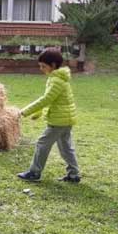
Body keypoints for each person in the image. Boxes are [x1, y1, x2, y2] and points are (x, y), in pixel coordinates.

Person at [16, 48, 80, 183]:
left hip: (59, 121)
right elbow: (52, 100)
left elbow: (46, 99)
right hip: (65, 119)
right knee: (66, 148)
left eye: (43, 66)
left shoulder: (56, 80)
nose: (41, 69)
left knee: (42, 144)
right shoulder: (58, 78)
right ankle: (74, 174)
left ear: (53, 65)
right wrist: (39, 112)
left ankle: (34, 173)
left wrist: (24, 112)